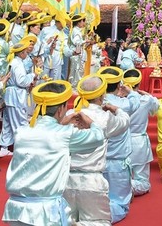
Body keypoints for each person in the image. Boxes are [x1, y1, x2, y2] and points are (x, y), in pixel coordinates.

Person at [2, 80, 105, 226]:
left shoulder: (22, 132)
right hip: (45, 212)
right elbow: (98, 138)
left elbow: (45, 136)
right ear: (61, 110)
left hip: (16, 209)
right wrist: (90, 123)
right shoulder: (64, 134)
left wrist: (61, 123)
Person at [64, 75, 130, 226]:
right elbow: (125, 122)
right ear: (102, 96)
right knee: (97, 222)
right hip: (92, 180)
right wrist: (116, 109)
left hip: (66, 179)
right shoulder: (105, 117)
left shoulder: (69, 115)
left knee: (66, 220)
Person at [98, 67, 140, 223]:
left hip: (97, 161)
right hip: (118, 161)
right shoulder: (124, 104)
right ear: (118, 85)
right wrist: (129, 91)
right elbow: (135, 101)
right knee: (120, 203)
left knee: (99, 197)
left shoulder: (96, 105)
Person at [122, 68, 159, 196]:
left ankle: (121, 185)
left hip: (119, 142)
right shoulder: (146, 100)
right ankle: (131, 187)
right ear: (139, 84)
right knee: (142, 180)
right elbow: (156, 107)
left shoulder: (115, 101)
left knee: (119, 172)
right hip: (138, 140)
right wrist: (147, 94)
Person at [0, 38, 36, 158]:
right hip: (16, 95)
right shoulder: (18, 63)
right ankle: (21, 147)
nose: (27, 53)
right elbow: (21, 81)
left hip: (10, 95)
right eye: (25, 51)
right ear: (21, 53)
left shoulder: (14, 62)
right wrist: (32, 75)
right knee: (19, 122)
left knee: (8, 122)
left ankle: (4, 147)